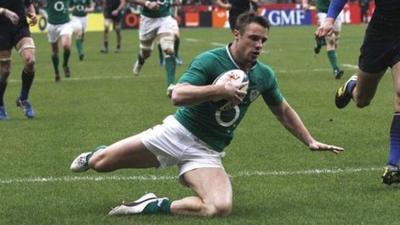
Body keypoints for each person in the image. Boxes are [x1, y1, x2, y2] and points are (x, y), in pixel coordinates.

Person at [70, 12, 344, 217]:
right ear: (236, 35)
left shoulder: (264, 74)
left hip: (207, 151)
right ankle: (97, 153)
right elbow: (178, 95)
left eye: (263, 40)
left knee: (219, 208)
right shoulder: (210, 60)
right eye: (253, 38)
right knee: (102, 164)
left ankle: (151, 205)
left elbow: (282, 110)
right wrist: (218, 90)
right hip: (176, 134)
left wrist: (309, 140)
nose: (259, 45)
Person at [316, 0, 400, 185]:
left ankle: (394, 163)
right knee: (362, 99)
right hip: (379, 37)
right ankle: (352, 87)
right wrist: (330, 18)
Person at [0, 0, 37, 120]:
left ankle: (23, 98)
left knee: (30, 60)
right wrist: (5, 12)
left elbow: (28, 3)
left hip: (20, 26)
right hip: (1, 30)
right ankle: (0, 105)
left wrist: (32, 14)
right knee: (4, 72)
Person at [131, 0, 179, 91]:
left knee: (168, 49)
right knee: (146, 52)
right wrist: (147, 3)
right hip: (147, 21)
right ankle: (140, 61)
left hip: (165, 19)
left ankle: (171, 85)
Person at [303, 0, 344, 79]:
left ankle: (319, 42)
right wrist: (305, 3)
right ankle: (336, 70)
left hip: (336, 11)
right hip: (323, 12)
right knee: (330, 39)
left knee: (335, 41)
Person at [45, 0, 74, 82]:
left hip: (65, 23)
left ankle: (65, 64)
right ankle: (56, 73)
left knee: (66, 45)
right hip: (52, 25)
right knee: (55, 51)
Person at [157, 0, 183, 66]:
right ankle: (161, 57)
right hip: (161, 18)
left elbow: (178, 3)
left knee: (177, 36)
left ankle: (176, 55)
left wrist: (177, 3)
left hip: (172, 18)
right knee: (161, 40)